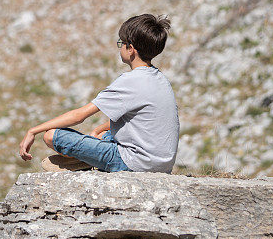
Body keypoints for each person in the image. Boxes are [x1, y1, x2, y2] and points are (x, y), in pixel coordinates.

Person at [18, 14, 180, 173]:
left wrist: (33, 131)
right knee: (102, 134)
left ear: (130, 49)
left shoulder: (131, 81)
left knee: (52, 135)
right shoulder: (160, 79)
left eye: (121, 43)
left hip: (136, 163)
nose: (120, 47)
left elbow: (79, 116)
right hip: (162, 164)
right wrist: (96, 131)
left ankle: (89, 159)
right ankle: (89, 157)